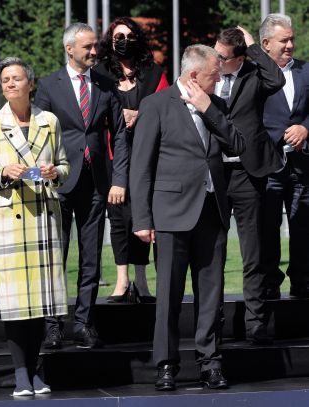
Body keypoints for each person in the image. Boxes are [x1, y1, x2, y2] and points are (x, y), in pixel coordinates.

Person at [130, 45, 245, 391]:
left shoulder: (217, 105)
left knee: (211, 293)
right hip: (170, 214)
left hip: (212, 211)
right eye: (215, 75)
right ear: (194, 75)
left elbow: (237, 144)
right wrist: (141, 218)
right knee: (169, 294)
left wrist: (209, 109)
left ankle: (210, 362)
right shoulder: (156, 105)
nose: (220, 80)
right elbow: (141, 167)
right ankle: (166, 364)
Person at [0, 57, 69, 397]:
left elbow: (64, 164)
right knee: (15, 305)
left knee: (41, 301)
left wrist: (55, 173)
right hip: (7, 219)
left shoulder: (50, 121)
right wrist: (3, 173)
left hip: (43, 216)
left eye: (16, 79)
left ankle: (37, 367)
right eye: (5, 80)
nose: (10, 84)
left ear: (30, 83)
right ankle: (20, 374)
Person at [34, 23, 126, 349]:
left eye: (94, 46)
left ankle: (84, 322)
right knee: (55, 256)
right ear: (69, 49)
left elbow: (120, 135)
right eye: (86, 47)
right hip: (58, 184)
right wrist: (38, 175)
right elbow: (37, 139)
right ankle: (52, 325)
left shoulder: (105, 85)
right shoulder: (47, 86)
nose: (93, 52)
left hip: (97, 183)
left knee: (91, 258)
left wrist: (119, 179)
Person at [213, 26, 284, 344]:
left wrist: (254, 46)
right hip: (215, 173)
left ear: (238, 58)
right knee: (212, 250)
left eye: (222, 57)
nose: (215, 60)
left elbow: (278, 79)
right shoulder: (208, 74)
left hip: (248, 172)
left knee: (253, 251)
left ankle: (256, 321)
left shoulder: (255, 72)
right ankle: (213, 319)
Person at [93, 16, 168, 303]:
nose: (124, 42)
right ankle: (121, 280)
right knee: (118, 218)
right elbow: (91, 114)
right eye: (118, 37)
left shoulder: (153, 72)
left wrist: (141, 115)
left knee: (143, 215)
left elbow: (166, 107)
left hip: (149, 156)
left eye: (129, 36)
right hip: (114, 157)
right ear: (110, 42)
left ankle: (141, 280)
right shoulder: (100, 73)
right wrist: (116, 117)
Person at [260, 14, 309, 300]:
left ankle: (302, 282)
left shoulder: (305, 71)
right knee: (267, 227)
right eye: (284, 40)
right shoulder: (254, 74)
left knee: (302, 225)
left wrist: (305, 128)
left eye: (292, 39)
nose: (290, 44)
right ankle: (269, 284)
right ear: (266, 43)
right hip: (269, 164)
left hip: (302, 164)